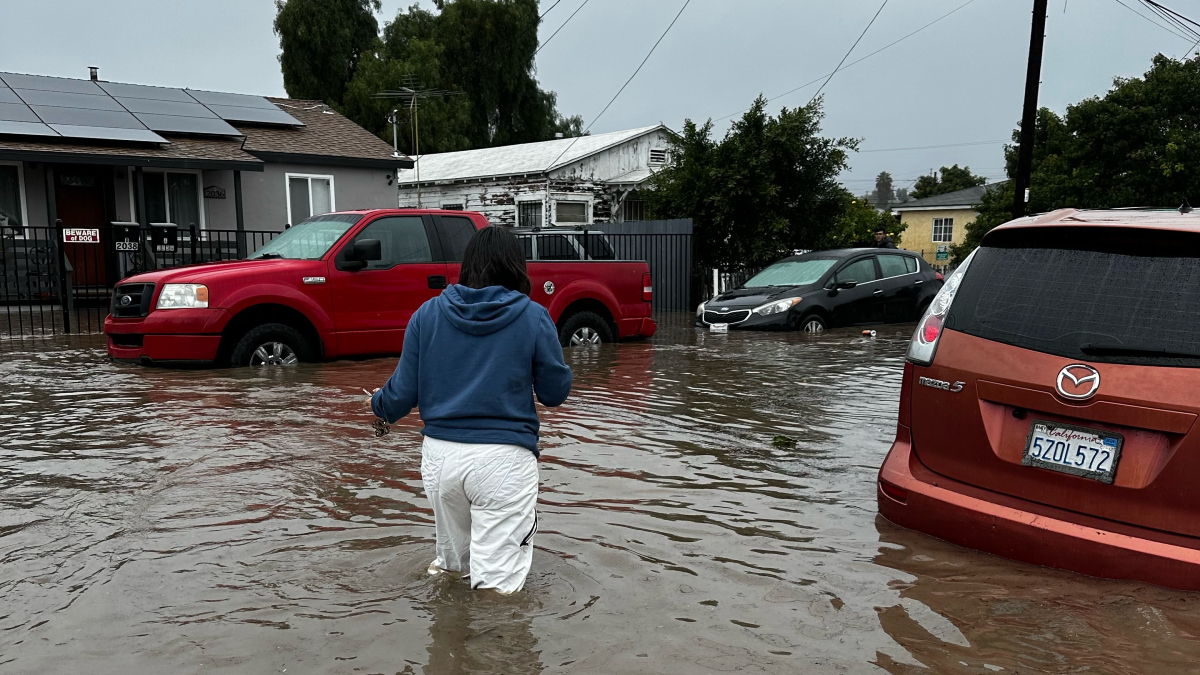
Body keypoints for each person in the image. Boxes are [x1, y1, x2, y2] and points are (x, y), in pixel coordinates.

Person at [369, 226, 573, 594]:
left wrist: (375, 404)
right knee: (498, 588)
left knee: (451, 570)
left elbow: (400, 396)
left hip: (440, 461)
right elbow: (554, 393)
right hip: (503, 461)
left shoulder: (426, 315)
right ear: (517, 267)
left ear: (468, 266)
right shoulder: (533, 316)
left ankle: (447, 644)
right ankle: (490, 649)